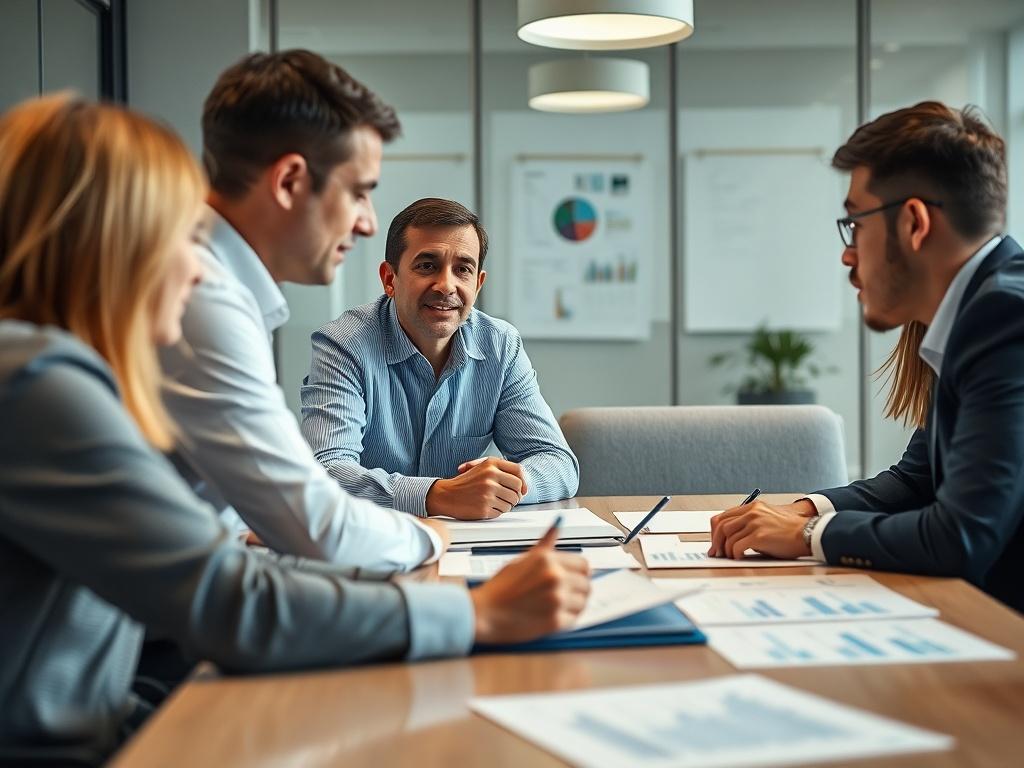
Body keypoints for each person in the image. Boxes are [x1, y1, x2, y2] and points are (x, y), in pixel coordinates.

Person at [0, 94, 590, 764]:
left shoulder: (54, 373)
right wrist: (474, 611)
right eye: (178, 239)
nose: (199, 271)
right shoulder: (36, 384)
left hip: (106, 716)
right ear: (105, 244)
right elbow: (226, 597)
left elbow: (219, 561)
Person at [707, 101, 1024, 612]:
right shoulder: (981, 309)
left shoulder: (1005, 319)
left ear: (915, 223)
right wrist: (803, 509)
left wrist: (811, 533)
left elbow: (960, 537)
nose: (847, 253)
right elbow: (917, 480)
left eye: (856, 224)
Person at [159, 49, 449, 571]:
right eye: (359, 194)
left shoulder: (210, 283)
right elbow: (315, 523)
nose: (367, 224)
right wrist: (430, 539)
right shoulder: (201, 299)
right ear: (290, 181)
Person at [301, 197, 580, 521]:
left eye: (462, 269)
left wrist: (512, 481)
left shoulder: (500, 346)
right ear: (390, 279)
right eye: (427, 265)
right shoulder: (343, 345)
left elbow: (557, 461)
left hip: (466, 546)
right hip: (372, 541)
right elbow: (327, 472)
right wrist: (437, 496)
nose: (446, 285)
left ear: (477, 284)